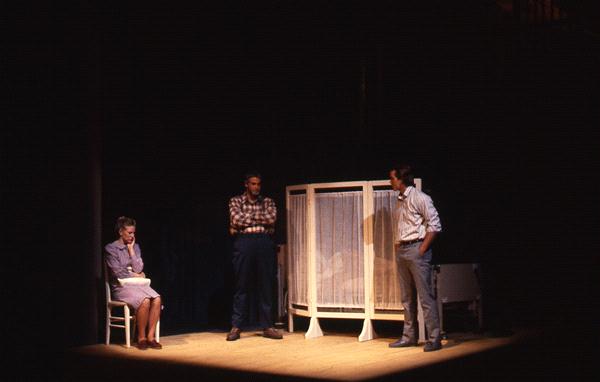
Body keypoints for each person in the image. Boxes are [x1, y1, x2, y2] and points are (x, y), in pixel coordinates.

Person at [388, 164, 443, 352]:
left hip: (416, 249)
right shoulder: (399, 200)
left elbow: (434, 225)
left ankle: (434, 338)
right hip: (402, 250)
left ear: (401, 179)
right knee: (406, 297)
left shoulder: (420, 198)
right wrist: (398, 245)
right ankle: (409, 337)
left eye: (392, 178)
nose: (390, 182)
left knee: (425, 297)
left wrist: (422, 249)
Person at [226, 172, 282, 341]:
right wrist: (259, 221)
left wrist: (246, 221)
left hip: (264, 242)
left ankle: (267, 326)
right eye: (253, 184)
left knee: (265, 284)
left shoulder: (268, 202)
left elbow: (272, 218)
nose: (256, 187)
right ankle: (236, 326)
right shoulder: (236, 201)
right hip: (244, 242)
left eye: (258, 184)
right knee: (242, 285)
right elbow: (236, 220)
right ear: (246, 185)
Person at [105, 216, 163, 350]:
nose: (132, 236)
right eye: (129, 233)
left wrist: (131, 250)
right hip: (121, 287)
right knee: (145, 301)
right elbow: (118, 272)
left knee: (157, 299)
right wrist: (135, 274)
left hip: (137, 285)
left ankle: (150, 337)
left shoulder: (135, 247)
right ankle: (141, 338)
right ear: (121, 232)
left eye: (133, 233)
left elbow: (139, 268)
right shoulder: (111, 248)